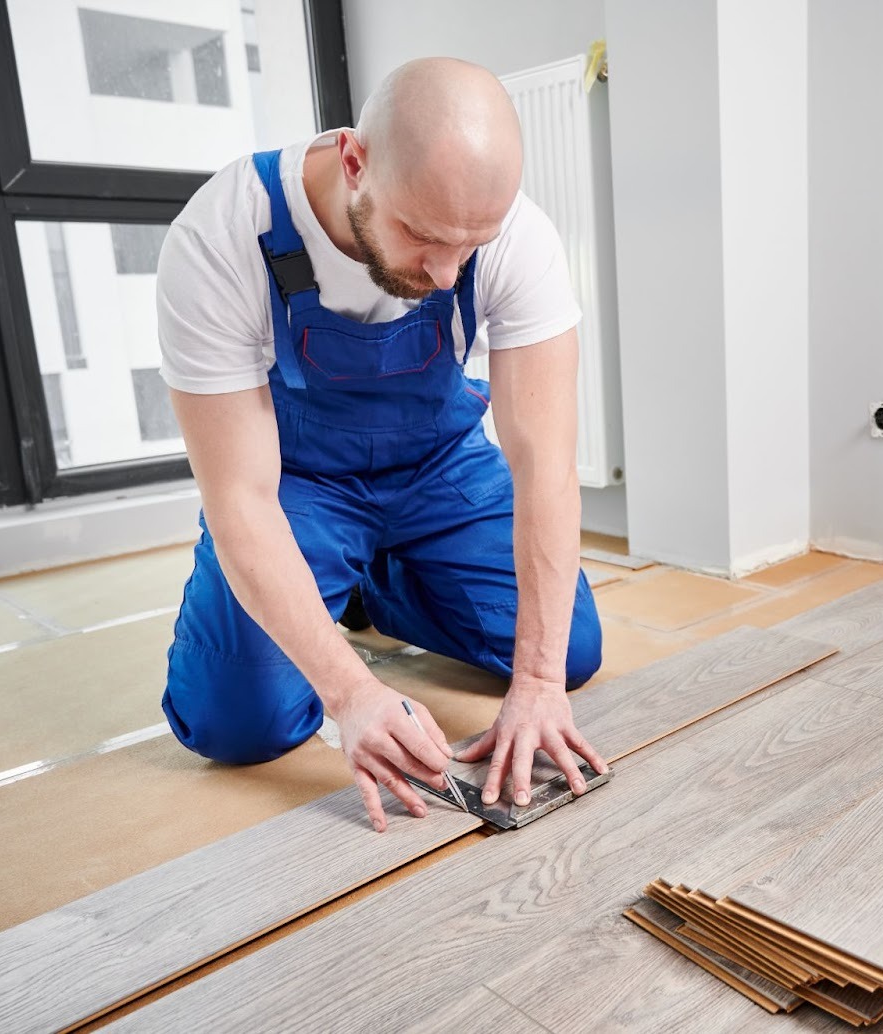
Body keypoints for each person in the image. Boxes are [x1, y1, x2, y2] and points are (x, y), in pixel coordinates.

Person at [155, 57, 606, 832]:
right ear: (354, 161)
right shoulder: (220, 236)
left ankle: (373, 585)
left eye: (469, 247)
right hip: (298, 486)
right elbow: (238, 498)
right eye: (423, 236)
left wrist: (535, 680)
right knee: (238, 725)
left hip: (438, 470)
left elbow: (544, 464)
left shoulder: (513, 235)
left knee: (568, 652)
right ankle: (336, 575)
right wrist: (350, 695)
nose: (444, 271)